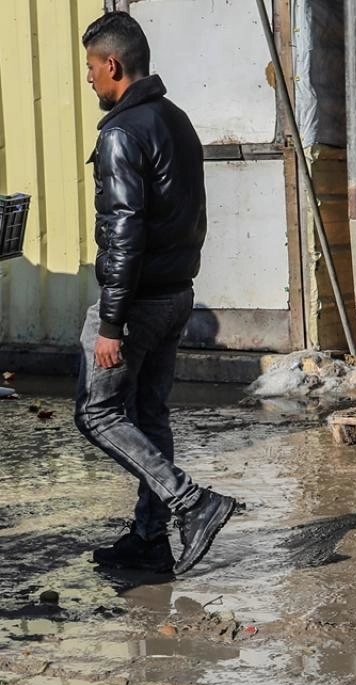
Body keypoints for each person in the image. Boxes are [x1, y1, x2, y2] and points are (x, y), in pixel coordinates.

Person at [75, 11, 236, 575]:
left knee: (96, 413)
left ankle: (193, 503)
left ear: (113, 65)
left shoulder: (122, 132)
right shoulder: (176, 119)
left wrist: (111, 324)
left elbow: (124, 233)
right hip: (175, 295)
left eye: (90, 67)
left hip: (137, 303)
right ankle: (149, 538)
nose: (88, 78)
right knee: (148, 414)